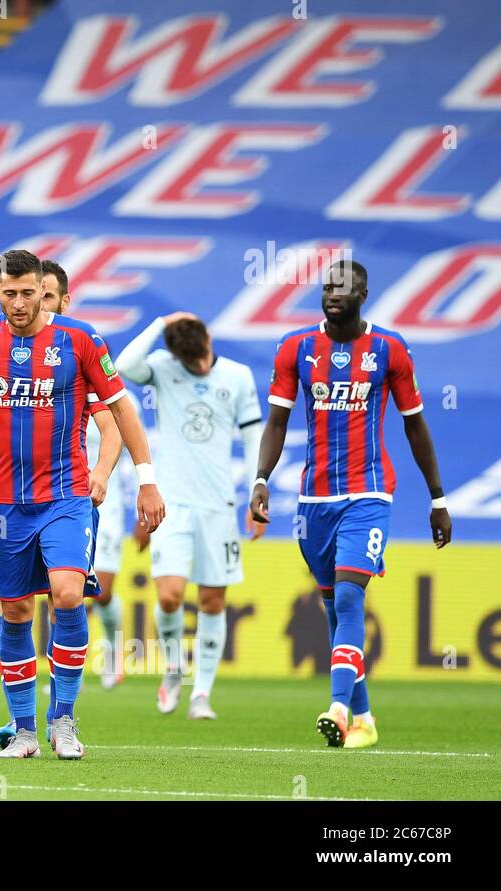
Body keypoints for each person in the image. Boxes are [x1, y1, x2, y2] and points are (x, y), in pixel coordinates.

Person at [0, 249, 165, 759]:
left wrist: (144, 480)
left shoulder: (79, 339)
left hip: (66, 495)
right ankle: (23, 732)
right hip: (6, 502)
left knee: (67, 593)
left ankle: (63, 720)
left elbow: (121, 410)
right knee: (15, 609)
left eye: (29, 293)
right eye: (9, 293)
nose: (19, 303)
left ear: (46, 291)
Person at [252, 260, 450, 748]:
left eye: (344, 286)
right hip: (313, 497)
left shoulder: (390, 349)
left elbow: (415, 425)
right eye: (326, 286)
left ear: (363, 293)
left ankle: (338, 708)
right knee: (333, 610)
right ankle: (364, 719)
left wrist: (438, 498)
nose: (333, 293)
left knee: (348, 596)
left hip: (369, 491)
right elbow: (277, 422)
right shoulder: (296, 348)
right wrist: (261, 479)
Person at [115, 311, 266, 720]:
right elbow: (123, 366)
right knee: (169, 595)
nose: (199, 367)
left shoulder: (237, 377)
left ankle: (202, 693)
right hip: (172, 504)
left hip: (219, 506)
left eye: (201, 358)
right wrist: (159, 322)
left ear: (209, 342)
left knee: (213, 600)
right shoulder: (163, 368)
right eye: (190, 362)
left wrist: (258, 492)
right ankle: (173, 669)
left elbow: (255, 439)